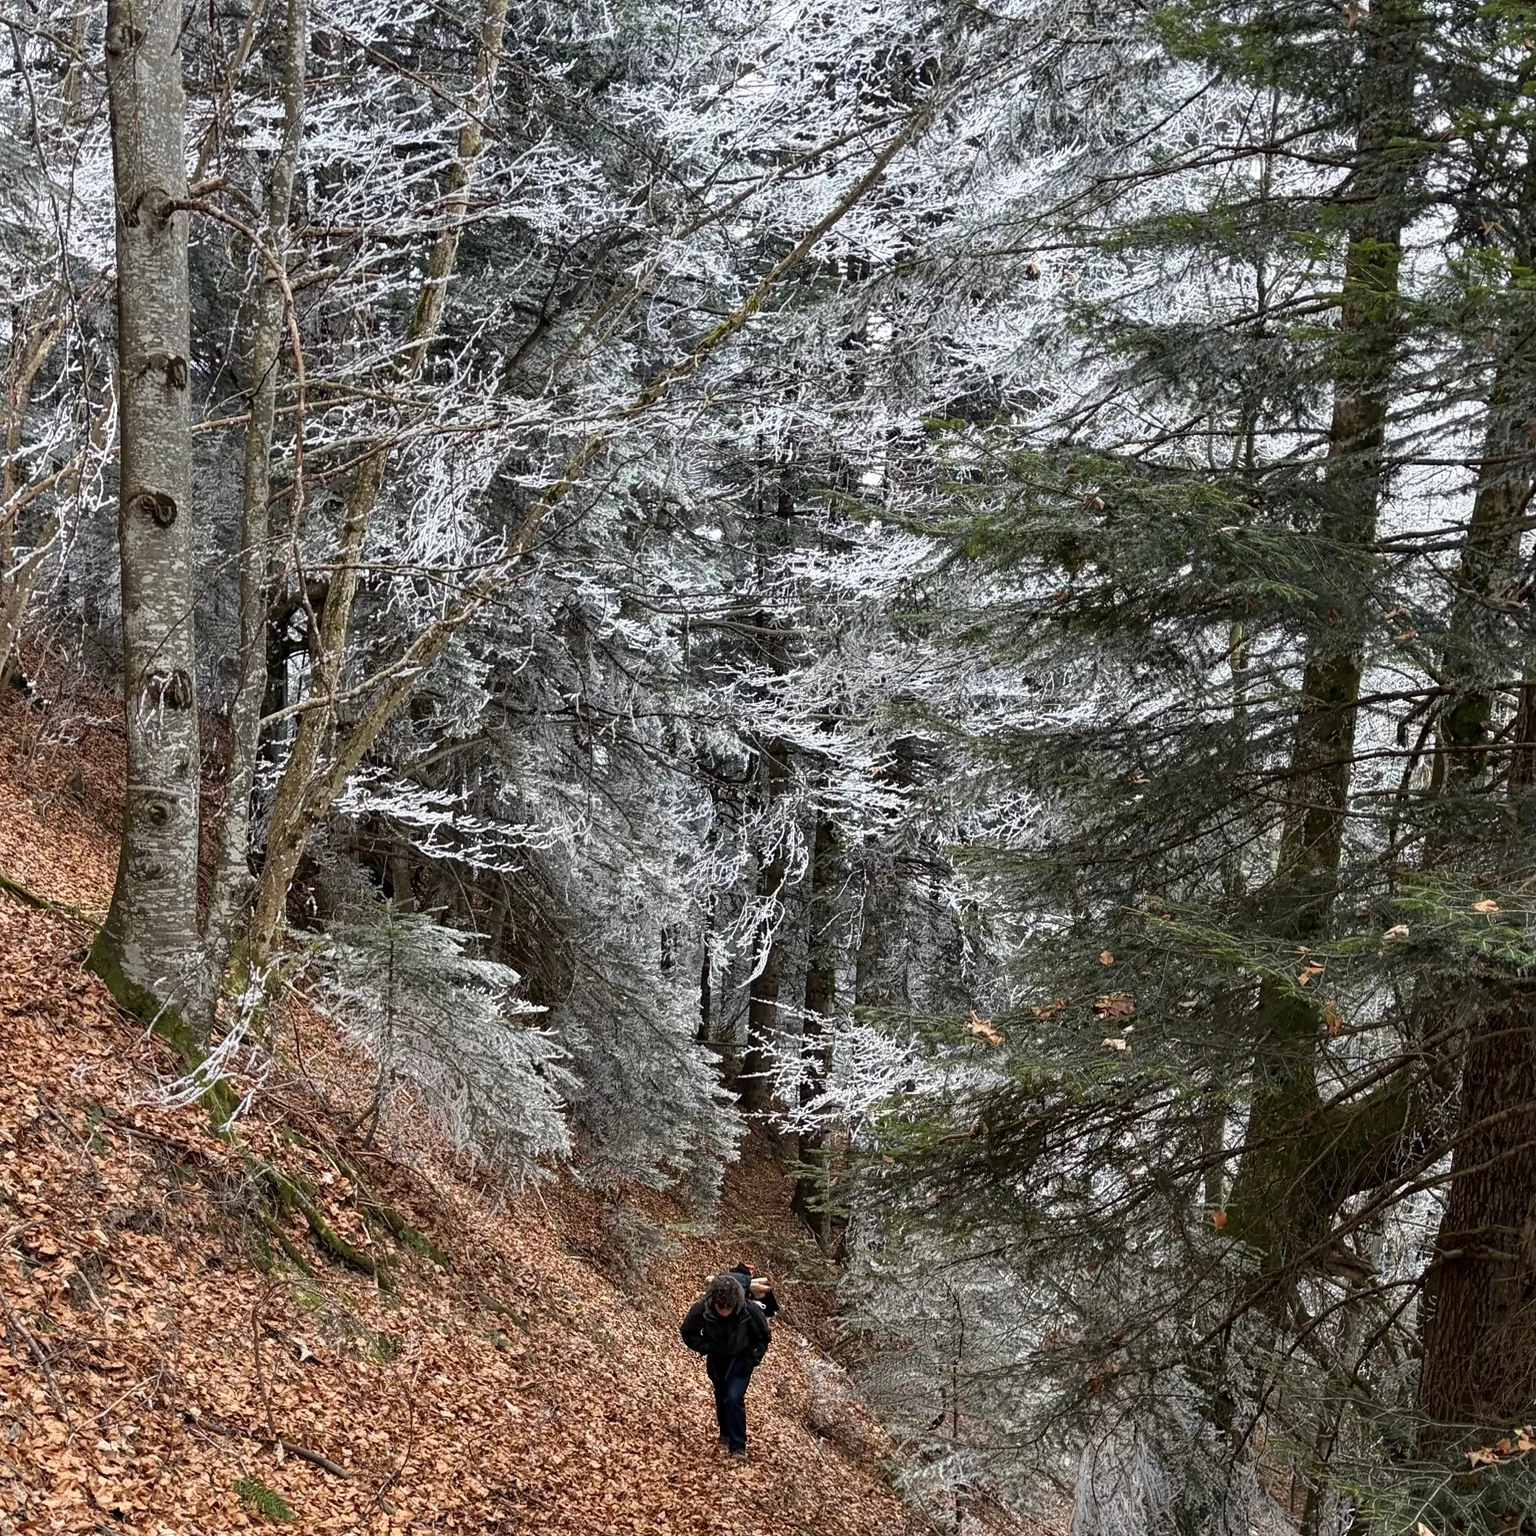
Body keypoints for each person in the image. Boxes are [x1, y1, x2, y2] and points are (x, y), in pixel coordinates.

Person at [680, 1268, 772, 1460]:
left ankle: (738, 1447)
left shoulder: (750, 1310)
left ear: (735, 1304)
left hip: (741, 1359)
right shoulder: (701, 1310)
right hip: (717, 1360)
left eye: (727, 1309)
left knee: (733, 1398)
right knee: (721, 1395)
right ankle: (725, 1433)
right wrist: (706, 1346)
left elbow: (763, 1337)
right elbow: (688, 1333)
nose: (723, 1312)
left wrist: (752, 1359)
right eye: (720, 1308)